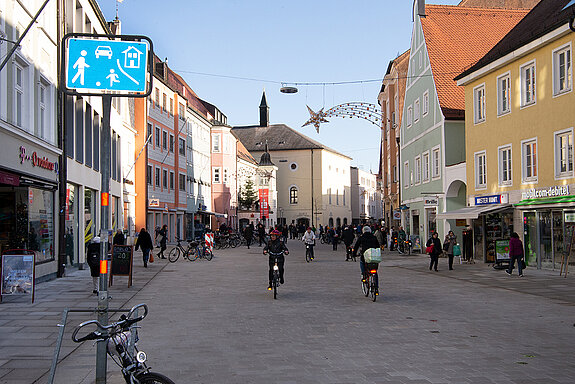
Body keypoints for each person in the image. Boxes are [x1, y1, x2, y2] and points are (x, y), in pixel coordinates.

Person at [353, 226, 381, 294]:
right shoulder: (374, 237)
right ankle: (376, 287)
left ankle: (364, 275)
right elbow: (378, 246)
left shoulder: (362, 237)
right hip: (374, 257)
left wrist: (354, 254)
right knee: (375, 271)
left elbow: (356, 246)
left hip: (365, 256)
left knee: (362, 262)